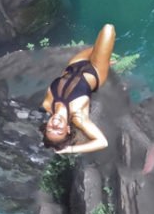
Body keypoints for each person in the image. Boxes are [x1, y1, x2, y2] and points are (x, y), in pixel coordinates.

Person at [41, 24, 115, 154]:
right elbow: (103, 142)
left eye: (50, 129)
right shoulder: (78, 116)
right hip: (95, 70)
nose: (54, 126)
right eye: (59, 131)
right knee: (108, 30)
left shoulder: (47, 104)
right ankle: (104, 61)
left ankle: (105, 58)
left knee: (98, 47)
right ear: (68, 129)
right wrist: (69, 149)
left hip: (74, 64)